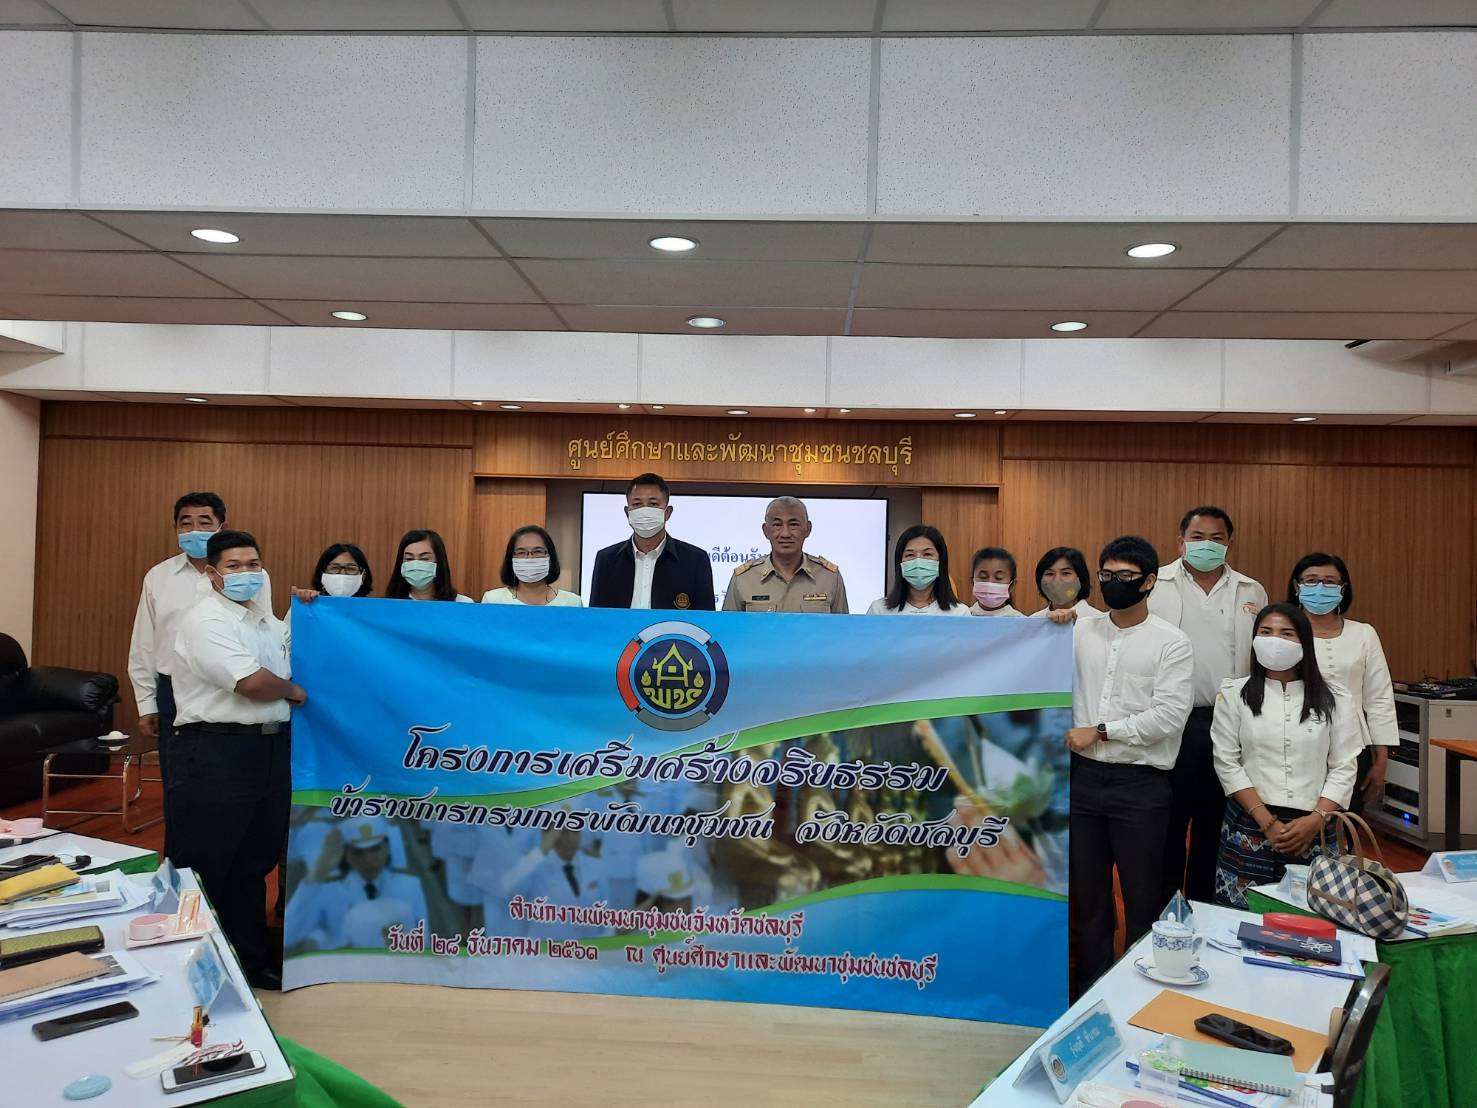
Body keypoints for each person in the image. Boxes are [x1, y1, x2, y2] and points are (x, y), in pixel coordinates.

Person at [168, 530, 301, 991]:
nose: (246, 573)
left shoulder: (266, 622)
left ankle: (250, 962)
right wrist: (295, 692)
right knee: (205, 866)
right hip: (215, 752)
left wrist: (310, 607)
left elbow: (298, 654)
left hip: (268, 750)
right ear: (212, 573)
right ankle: (188, 969)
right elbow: (251, 683)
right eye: (234, 566)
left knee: (253, 864)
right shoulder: (205, 619)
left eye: (253, 564)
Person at [1069, 535, 1194, 993]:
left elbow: (1169, 716)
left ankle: (1138, 991)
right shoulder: (1080, 632)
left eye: (1125, 576)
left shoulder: (1171, 643)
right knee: (1088, 896)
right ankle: (1091, 989)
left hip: (1140, 785)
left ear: (1149, 582)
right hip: (1082, 779)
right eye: (1106, 575)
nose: (1113, 584)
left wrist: (1102, 730)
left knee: (1142, 895)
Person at [128, 492, 273, 857]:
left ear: (222, 526)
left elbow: (264, 630)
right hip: (173, 692)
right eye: (186, 523)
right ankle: (182, 871)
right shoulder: (159, 577)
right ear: (175, 528)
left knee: (233, 790)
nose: (194, 530)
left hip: (237, 689)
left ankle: (233, 864)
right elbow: (145, 642)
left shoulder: (251, 576)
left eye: (204, 522)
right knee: (180, 788)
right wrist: (146, 702)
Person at [1148, 506, 1267, 906]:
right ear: (1180, 541)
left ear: (1230, 542)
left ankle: (1203, 908)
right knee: (1168, 822)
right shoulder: (1155, 584)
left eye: (1217, 538)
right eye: (1198, 537)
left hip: (1227, 723)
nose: (1207, 545)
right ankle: (1164, 912)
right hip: (1171, 721)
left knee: (1214, 823)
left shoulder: (1251, 591)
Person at [1211, 603, 1361, 909]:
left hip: (1316, 826)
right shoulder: (1234, 694)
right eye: (1266, 632)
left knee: (1313, 917)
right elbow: (1227, 762)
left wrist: (1315, 820)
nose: (1275, 641)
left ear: (1304, 641)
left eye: (1287, 634)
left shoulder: (1335, 697)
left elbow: (1344, 766)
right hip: (1251, 823)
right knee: (1243, 917)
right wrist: (1266, 822)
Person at [1288, 553, 1399, 815]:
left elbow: (1379, 698)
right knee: (1296, 821)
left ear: (1343, 588)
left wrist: (1381, 759)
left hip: (1352, 746)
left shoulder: (1364, 634)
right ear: (1297, 587)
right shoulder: (1283, 631)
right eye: (1311, 580)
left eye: (1329, 582)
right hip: (1294, 744)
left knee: (1343, 824)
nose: (1320, 587)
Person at [284, 818, 430, 953]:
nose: (368, 859)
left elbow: (424, 939)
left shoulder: (410, 885)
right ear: (346, 854)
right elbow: (287, 935)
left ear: (387, 847)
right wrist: (318, 872)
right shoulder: (328, 892)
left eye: (375, 849)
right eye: (358, 852)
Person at [588, 473, 715, 611]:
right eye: (637, 504)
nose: (644, 511)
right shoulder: (606, 560)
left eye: (653, 504)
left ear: (668, 512)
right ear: (627, 512)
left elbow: (706, 620)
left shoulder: (695, 560)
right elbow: (595, 617)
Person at [723, 496, 849, 612]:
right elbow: (727, 627)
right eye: (777, 525)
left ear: (808, 528)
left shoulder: (829, 578)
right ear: (766, 530)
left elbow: (842, 627)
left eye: (793, 524)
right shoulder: (744, 579)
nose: (785, 534)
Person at [865, 525, 969, 616]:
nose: (918, 561)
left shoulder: (960, 613)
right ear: (900, 563)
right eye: (910, 555)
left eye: (927, 554)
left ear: (941, 561)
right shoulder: (878, 611)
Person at [481, 525, 583, 606]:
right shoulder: (493, 600)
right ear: (511, 558)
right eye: (521, 552)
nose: (530, 558)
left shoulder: (572, 602)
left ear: (550, 556)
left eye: (538, 551)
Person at [384, 528, 475, 603]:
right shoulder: (387, 605)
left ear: (439, 562)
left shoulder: (463, 604)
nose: (415, 565)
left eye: (424, 559)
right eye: (409, 559)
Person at [1030, 546, 1099, 624]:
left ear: (1080, 578)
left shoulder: (1098, 621)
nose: (1057, 580)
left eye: (1066, 573)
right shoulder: (1032, 622)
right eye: (1050, 574)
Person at [291, 543, 375, 602]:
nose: (342, 574)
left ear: (363, 576)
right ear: (322, 574)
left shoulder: (373, 610)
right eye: (334, 568)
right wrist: (301, 604)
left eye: (351, 568)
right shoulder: (308, 603)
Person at [967, 546, 1022, 617]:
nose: (990, 582)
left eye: (999, 578)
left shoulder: (1019, 620)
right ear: (973, 582)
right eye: (983, 577)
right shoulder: (964, 616)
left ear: (1011, 586)